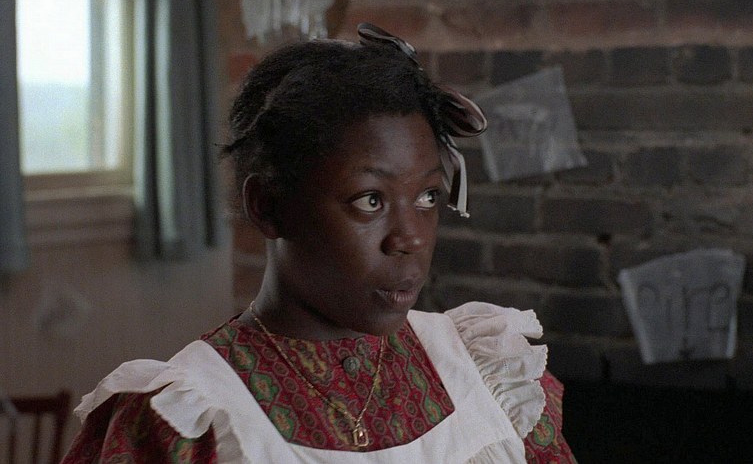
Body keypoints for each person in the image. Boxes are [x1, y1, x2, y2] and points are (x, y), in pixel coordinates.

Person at [62, 23, 576, 463]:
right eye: (369, 201)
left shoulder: (488, 377)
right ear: (268, 206)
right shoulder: (184, 421)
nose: (410, 239)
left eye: (427, 197)